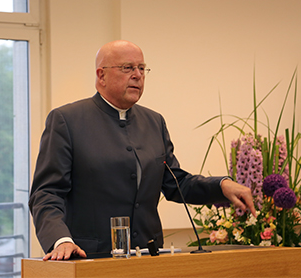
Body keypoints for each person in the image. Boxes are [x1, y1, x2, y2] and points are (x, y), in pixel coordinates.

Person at [29, 40, 256, 261]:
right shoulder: (67, 121)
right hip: (92, 258)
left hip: (148, 257)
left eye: (141, 68)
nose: (137, 75)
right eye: (127, 68)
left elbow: (176, 183)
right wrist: (60, 240)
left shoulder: (154, 121)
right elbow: (46, 194)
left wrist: (221, 185)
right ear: (101, 75)